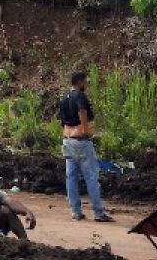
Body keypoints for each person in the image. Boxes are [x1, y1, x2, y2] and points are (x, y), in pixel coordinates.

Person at [59, 70, 114, 222]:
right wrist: (85, 131)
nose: (87, 83)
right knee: (91, 177)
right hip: (81, 141)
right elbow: (82, 111)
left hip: (67, 139)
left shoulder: (64, 98)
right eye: (85, 81)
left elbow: (62, 122)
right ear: (80, 82)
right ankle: (98, 212)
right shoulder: (80, 96)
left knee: (71, 177)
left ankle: (76, 211)